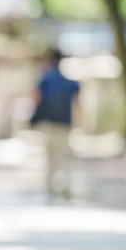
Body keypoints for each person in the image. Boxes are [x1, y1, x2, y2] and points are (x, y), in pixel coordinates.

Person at [29, 48, 80, 200]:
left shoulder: (45, 80)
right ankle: (65, 186)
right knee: (64, 158)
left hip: (48, 125)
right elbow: (77, 104)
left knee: (49, 159)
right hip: (64, 125)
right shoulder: (70, 82)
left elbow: (36, 100)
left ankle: (50, 189)